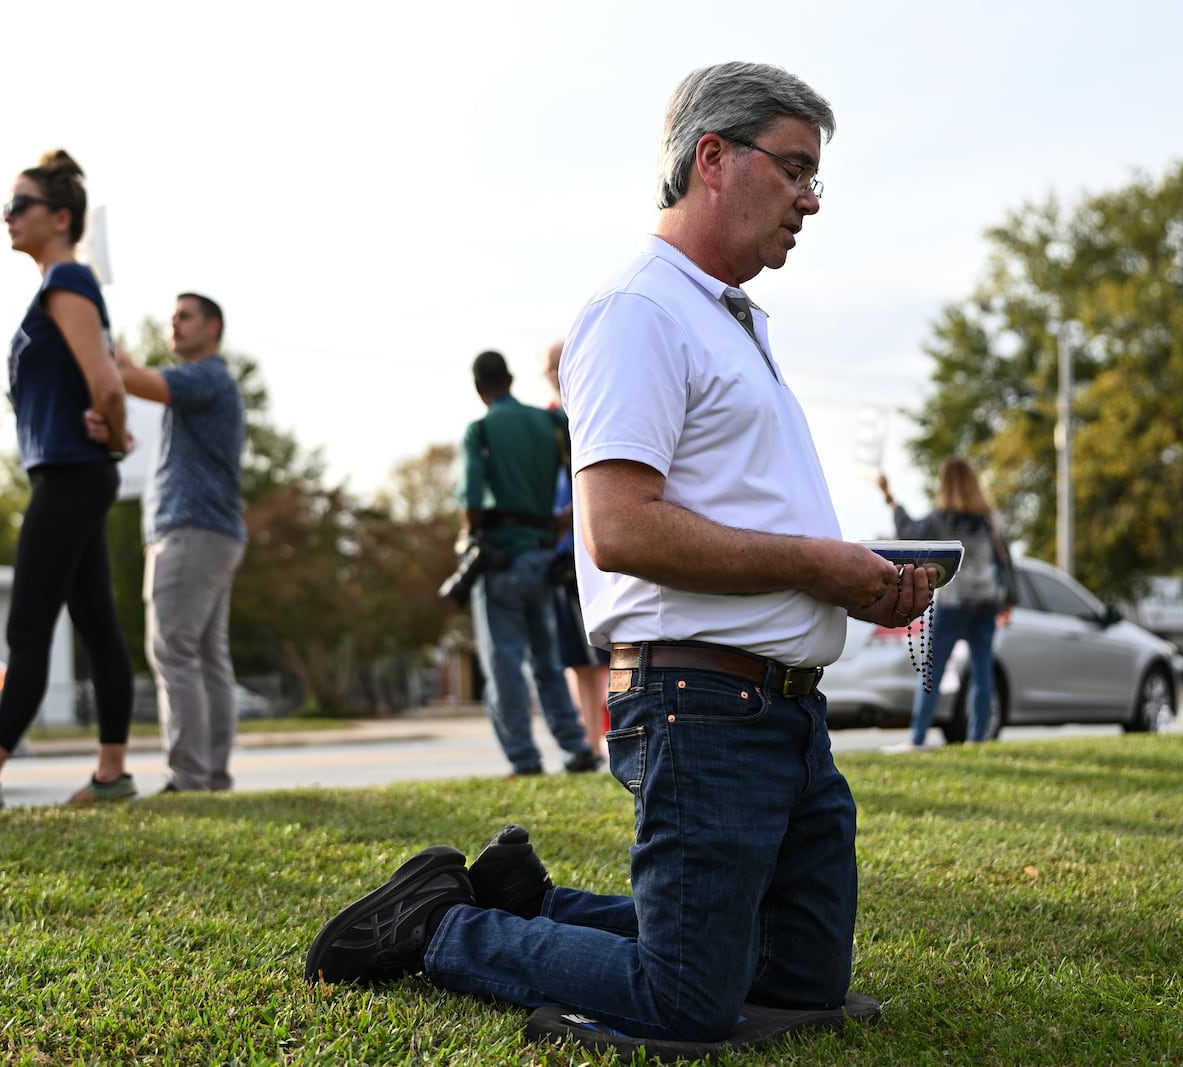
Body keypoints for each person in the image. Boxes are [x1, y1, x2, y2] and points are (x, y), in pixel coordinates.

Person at [304, 61, 933, 1045]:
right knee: (688, 1001)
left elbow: (731, 507)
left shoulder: (725, 316)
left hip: (782, 712)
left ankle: (524, 901)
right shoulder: (640, 309)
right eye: (797, 168)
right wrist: (816, 565)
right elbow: (620, 527)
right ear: (713, 157)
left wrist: (853, 572)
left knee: (801, 985)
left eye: (818, 177)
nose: (811, 199)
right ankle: (438, 925)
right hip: (704, 704)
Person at [0, 151, 138, 803]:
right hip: (71, 471)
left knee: (28, 623)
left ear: (60, 216)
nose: (7, 216)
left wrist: (117, 429)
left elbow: (107, 381)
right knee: (96, 620)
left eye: (20, 205)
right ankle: (111, 774)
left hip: (72, 473)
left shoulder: (67, 279)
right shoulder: (58, 282)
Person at [108, 294, 247, 792]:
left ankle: (189, 776)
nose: (175, 322)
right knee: (206, 655)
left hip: (189, 531)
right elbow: (133, 371)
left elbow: (131, 377)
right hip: (213, 531)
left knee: (173, 650)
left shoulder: (204, 377)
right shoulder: (205, 382)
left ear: (213, 327)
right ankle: (210, 775)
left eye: (185, 316)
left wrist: (101, 340)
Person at [455, 350, 599, 778]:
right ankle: (576, 749)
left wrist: (467, 537)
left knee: (504, 665)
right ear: (511, 378)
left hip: (500, 557)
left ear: (480, 387)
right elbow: (586, 475)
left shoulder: (480, 430)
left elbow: (472, 500)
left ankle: (524, 759)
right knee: (547, 660)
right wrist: (559, 524)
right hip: (542, 554)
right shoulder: (549, 422)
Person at [877, 459, 1016, 750]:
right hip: (987, 599)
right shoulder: (990, 516)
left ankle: (918, 738)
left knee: (933, 670)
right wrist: (1009, 599)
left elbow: (909, 532)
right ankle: (977, 740)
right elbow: (1005, 559)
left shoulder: (943, 518)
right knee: (981, 671)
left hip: (954, 601)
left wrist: (890, 499)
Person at [541, 339, 611, 754]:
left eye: (558, 364)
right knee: (575, 656)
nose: (554, 373)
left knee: (602, 654)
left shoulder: (591, 411)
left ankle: (604, 734)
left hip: (594, 549)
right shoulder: (545, 425)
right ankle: (588, 737)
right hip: (559, 557)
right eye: (548, 367)